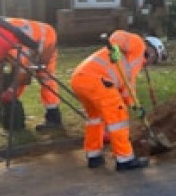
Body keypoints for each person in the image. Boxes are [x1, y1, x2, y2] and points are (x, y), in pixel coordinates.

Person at [69, 31, 166, 171]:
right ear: (152, 51)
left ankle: (94, 156)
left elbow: (127, 89)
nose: (150, 64)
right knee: (118, 117)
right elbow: (118, 36)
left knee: (95, 119)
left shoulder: (131, 65)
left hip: (81, 78)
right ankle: (125, 159)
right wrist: (114, 47)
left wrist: (135, 106)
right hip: (98, 80)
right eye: (155, 59)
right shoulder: (138, 43)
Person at [0, 17, 63, 131]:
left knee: (45, 77)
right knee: (5, 75)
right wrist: (2, 90)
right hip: (23, 40)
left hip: (45, 39)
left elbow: (23, 74)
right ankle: (2, 111)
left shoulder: (5, 40)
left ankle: (53, 116)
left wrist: (11, 90)